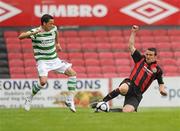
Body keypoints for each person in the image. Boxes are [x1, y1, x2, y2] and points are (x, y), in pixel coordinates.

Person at [92, 25, 168, 112]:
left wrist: (162, 90)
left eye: (150, 55)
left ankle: (104, 110)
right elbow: (131, 46)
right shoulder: (140, 59)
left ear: (155, 56)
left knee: (127, 111)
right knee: (123, 88)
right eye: (147, 54)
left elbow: (160, 82)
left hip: (137, 93)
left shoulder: (157, 70)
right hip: (130, 83)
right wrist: (133, 32)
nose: (148, 56)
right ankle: (102, 101)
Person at [18, 14, 77, 112]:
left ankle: (70, 100)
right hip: (43, 61)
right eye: (50, 23)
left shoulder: (53, 29)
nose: (52, 25)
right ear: (44, 23)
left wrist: (57, 43)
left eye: (53, 23)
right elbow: (20, 36)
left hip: (54, 59)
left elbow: (56, 32)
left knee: (73, 74)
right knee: (43, 82)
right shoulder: (35, 32)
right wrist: (35, 32)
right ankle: (29, 98)